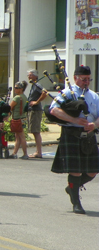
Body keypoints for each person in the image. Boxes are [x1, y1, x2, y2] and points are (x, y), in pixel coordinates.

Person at [49, 65, 98, 214]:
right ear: (75, 78)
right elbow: (54, 110)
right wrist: (74, 120)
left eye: (89, 79)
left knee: (93, 171)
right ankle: (76, 202)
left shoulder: (95, 96)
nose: (86, 82)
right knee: (75, 171)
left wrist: (94, 125)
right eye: (83, 79)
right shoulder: (67, 93)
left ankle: (72, 187)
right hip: (72, 134)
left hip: (89, 136)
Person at [26, 69, 47, 158]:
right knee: (34, 131)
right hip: (32, 110)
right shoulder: (33, 85)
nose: (29, 77)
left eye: (30, 75)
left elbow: (44, 93)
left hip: (36, 110)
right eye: (28, 75)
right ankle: (37, 151)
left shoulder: (37, 85)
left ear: (35, 76)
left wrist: (36, 102)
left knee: (36, 131)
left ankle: (39, 152)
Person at [8, 81, 29, 159]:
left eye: (16, 88)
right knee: (18, 137)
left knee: (21, 136)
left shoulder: (17, 97)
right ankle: (14, 153)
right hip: (23, 118)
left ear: (21, 89)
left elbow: (10, 107)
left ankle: (25, 154)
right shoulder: (24, 96)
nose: (15, 89)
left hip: (17, 119)